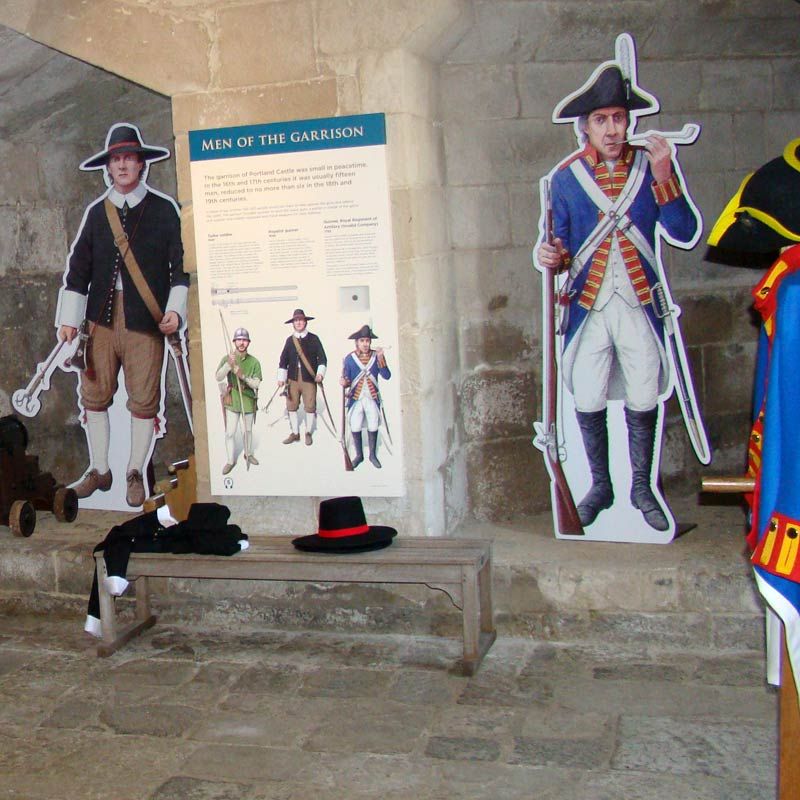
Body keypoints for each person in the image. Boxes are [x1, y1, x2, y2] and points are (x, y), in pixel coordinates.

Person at [536, 63, 699, 531]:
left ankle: (642, 487)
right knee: (586, 396)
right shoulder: (565, 179)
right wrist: (550, 254)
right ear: (584, 126)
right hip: (588, 304)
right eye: (602, 120)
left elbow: (683, 229)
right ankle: (601, 486)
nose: (613, 129)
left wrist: (666, 172)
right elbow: (560, 247)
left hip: (639, 302)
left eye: (619, 118)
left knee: (645, 393)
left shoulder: (651, 167)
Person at [56, 123, 188, 508]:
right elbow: (78, 271)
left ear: (141, 165)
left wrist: (175, 312)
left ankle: (134, 469)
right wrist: (68, 320)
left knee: (145, 399)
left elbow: (179, 271)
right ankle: (100, 469)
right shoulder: (98, 214)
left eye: (130, 158)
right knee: (94, 396)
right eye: (117, 159)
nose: (124, 165)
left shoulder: (164, 211)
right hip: (98, 323)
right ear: (108, 168)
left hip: (145, 323)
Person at [340, 325, 391, 468]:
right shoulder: (349, 359)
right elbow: (347, 379)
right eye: (362, 341)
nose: (365, 344)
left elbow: (387, 376)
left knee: (373, 425)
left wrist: (381, 359)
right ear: (357, 342)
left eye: (367, 341)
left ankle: (373, 455)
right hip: (356, 398)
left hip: (372, 397)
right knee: (355, 426)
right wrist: (344, 382)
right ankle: (359, 455)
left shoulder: (376, 356)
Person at [277, 309, 327, 445]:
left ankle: (308, 432)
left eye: (301, 320)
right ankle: (295, 433)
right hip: (292, 379)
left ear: (305, 322)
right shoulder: (289, 341)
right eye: (296, 320)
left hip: (309, 379)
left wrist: (320, 374)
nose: (298, 322)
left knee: (310, 406)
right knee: (291, 406)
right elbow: (283, 361)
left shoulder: (314, 339)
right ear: (293, 323)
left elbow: (322, 359)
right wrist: (281, 378)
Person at [216, 327, 262, 474]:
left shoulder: (254, 362)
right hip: (232, 399)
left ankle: (248, 454)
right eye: (239, 340)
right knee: (230, 432)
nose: (241, 343)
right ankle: (230, 461)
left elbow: (256, 384)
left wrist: (242, 376)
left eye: (244, 340)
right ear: (234, 341)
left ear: (248, 342)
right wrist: (228, 365)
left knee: (248, 430)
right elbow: (218, 377)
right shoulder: (227, 358)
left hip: (247, 399)